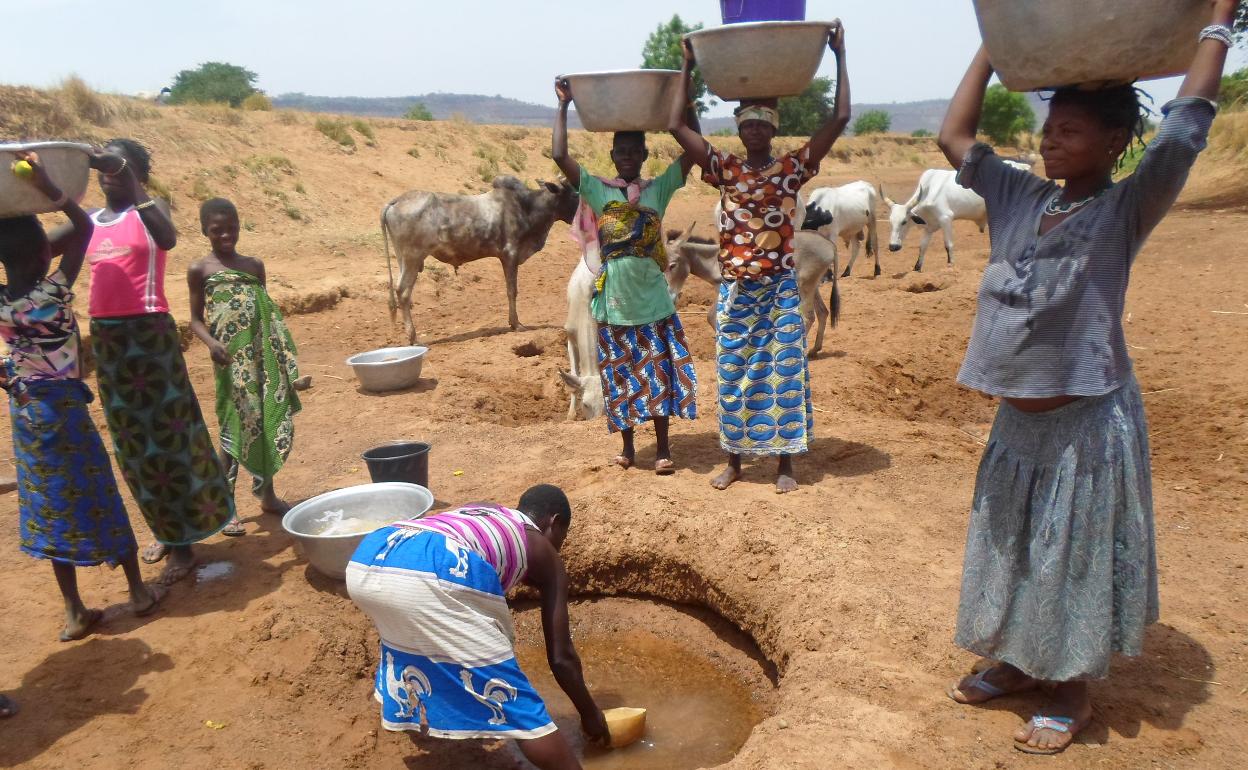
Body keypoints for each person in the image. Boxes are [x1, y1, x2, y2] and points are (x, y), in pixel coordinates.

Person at [936, 0, 1240, 754]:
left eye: (1069, 131)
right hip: (1017, 423)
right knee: (1010, 545)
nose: (1050, 142)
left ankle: (1069, 687)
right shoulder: (1017, 196)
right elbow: (955, 136)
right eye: (1047, 127)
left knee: (1067, 558)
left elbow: (1185, 125)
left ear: (1112, 143)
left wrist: (1221, 18)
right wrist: (994, 48)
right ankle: (1015, 659)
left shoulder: (1124, 208)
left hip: (1083, 424)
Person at [670, 23, 851, 493]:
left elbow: (840, 119)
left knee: (785, 371)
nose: (754, 130)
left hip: (779, 290)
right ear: (739, 128)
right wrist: (688, 63)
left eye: (762, 124)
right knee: (732, 373)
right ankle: (733, 460)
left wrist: (839, 55)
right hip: (735, 288)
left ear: (773, 129)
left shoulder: (792, 169)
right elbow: (677, 125)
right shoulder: (724, 169)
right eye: (747, 123)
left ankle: (785, 464)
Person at [0, 150, 162, 640]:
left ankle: (74, 610)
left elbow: (45, 243)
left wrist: (8, 376)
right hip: (65, 408)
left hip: (25, 409)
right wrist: (49, 185)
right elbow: (82, 227)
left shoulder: (4, 304)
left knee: (47, 503)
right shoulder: (52, 293)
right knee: (97, 489)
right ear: (41, 254)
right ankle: (136, 591)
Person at [346, 485, 608, 770]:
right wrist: (590, 714)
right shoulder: (540, 546)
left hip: (372, 554)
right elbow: (561, 657)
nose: (558, 548)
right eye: (561, 538)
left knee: (414, 634)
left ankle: (419, 715)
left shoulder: (487, 511)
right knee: (518, 706)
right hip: (431, 566)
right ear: (553, 522)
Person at [74, 138, 235, 584]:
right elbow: (41, 245)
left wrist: (130, 179)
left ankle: (189, 533)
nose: (108, 170)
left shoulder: (149, 210)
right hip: (107, 339)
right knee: (132, 443)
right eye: (102, 163)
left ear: (137, 174)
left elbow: (167, 237)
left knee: (171, 436)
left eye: (120, 165)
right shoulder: (88, 221)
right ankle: (169, 532)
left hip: (150, 335)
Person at [551, 79, 698, 474]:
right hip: (614, 303)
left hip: (653, 301)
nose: (629, 157)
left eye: (636, 151)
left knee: (658, 376)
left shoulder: (659, 189)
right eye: (622, 152)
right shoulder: (599, 192)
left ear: (645, 154)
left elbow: (695, 148)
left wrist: (687, 106)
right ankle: (630, 449)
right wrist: (564, 105)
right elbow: (559, 154)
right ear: (613, 155)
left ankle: (664, 448)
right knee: (621, 378)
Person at [188, 198, 301, 535]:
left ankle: (267, 495)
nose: (226, 235)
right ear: (204, 231)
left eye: (231, 228)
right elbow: (195, 320)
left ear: (240, 227)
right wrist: (212, 343)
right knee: (234, 428)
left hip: (260, 359)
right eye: (216, 230)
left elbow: (266, 313)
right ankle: (227, 507)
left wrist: (277, 353)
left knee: (264, 419)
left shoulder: (254, 266)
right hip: (229, 362)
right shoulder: (200, 270)